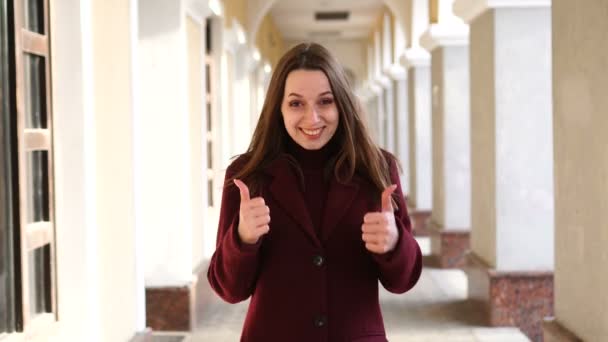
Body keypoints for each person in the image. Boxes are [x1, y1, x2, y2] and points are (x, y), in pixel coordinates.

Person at [207, 42, 422, 342]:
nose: (312, 118)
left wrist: (395, 243)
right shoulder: (247, 177)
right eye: (296, 104)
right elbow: (229, 290)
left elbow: (403, 281)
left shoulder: (377, 168)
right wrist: (242, 239)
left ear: (342, 105)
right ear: (278, 108)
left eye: (325, 102)